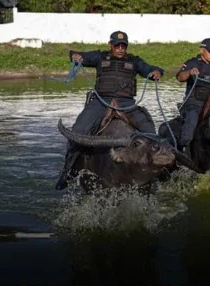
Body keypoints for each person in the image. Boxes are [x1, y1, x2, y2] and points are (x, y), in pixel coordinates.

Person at [55, 30, 165, 190]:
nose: (120, 48)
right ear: (110, 45)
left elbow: (150, 69)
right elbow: (78, 55)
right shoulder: (100, 57)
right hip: (101, 102)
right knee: (79, 131)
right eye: (117, 45)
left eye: (123, 46)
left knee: (150, 132)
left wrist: (156, 72)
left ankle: (157, 171)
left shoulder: (134, 61)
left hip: (127, 103)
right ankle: (68, 171)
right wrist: (76, 57)